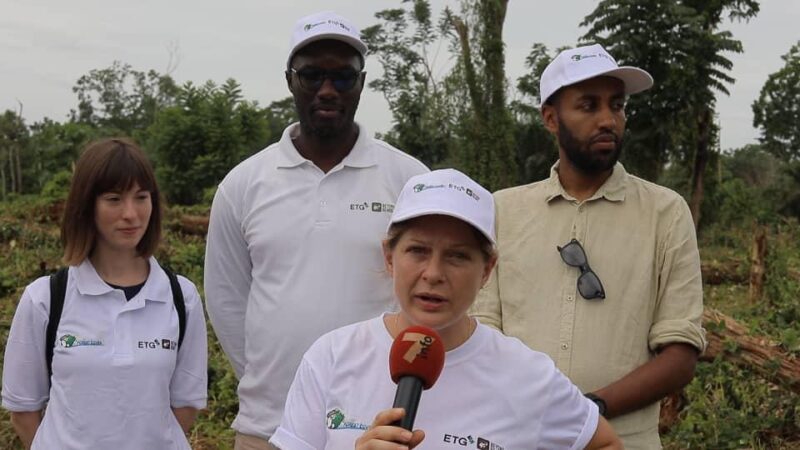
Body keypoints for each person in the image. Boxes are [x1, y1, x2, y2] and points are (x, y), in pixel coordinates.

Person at [269, 169, 622, 450]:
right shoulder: (332, 356)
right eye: (418, 251)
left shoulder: (528, 375)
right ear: (390, 257)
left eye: (457, 256)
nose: (434, 274)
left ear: (487, 269)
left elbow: (605, 443)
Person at [204, 10, 428, 449]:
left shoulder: (407, 179)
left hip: (381, 421)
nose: (328, 90)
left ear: (361, 84)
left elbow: (428, 291)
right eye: (312, 76)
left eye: (343, 77)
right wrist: (265, 378)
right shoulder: (244, 184)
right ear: (290, 80)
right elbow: (227, 298)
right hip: (268, 424)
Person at [471, 43, 707, 449]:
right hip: (515, 436)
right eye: (588, 106)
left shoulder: (664, 213)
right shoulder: (500, 211)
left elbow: (680, 355)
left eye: (616, 106)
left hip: (623, 439)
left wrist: (586, 410)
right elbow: (479, 332)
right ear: (550, 118)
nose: (608, 120)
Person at [1, 138, 208, 450]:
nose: (131, 214)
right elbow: (23, 409)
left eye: (141, 197)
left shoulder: (181, 297)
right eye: (114, 199)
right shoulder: (45, 299)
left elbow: (186, 403)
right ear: (86, 206)